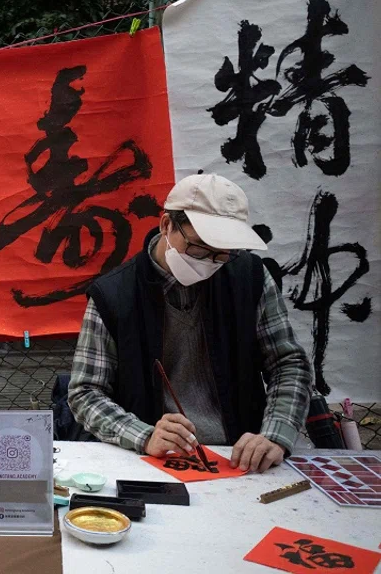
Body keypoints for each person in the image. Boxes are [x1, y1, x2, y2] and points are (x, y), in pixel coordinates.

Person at [68, 174, 311, 473]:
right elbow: (85, 392)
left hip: (241, 456)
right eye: (197, 248)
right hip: (153, 459)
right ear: (166, 225)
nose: (208, 262)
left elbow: (288, 364)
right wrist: (143, 435)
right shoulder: (114, 294)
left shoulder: (249, 277)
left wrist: (275, 434)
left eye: (222, 254)